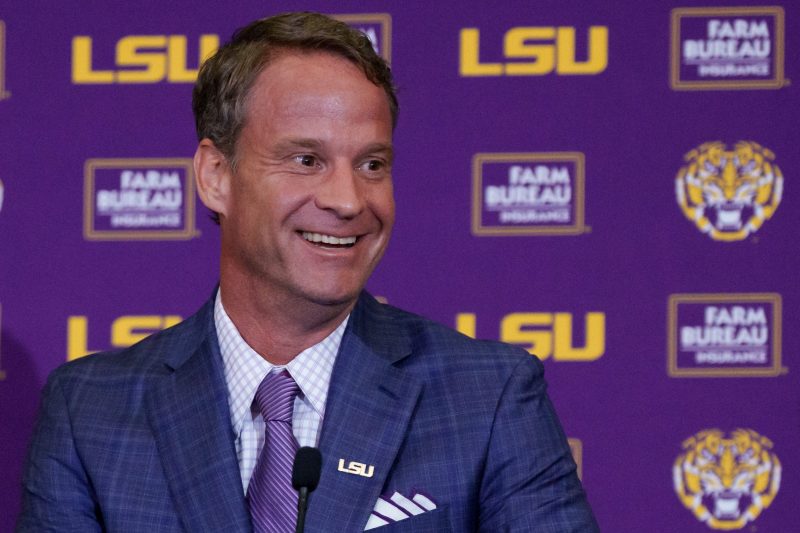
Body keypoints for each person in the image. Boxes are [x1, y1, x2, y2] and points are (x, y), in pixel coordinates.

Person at [18, 12, 599, 532]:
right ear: (216, 176)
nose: (348, 200)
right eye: (306, 160)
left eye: (372, 164)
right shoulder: (89, 412)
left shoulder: (488, 398)